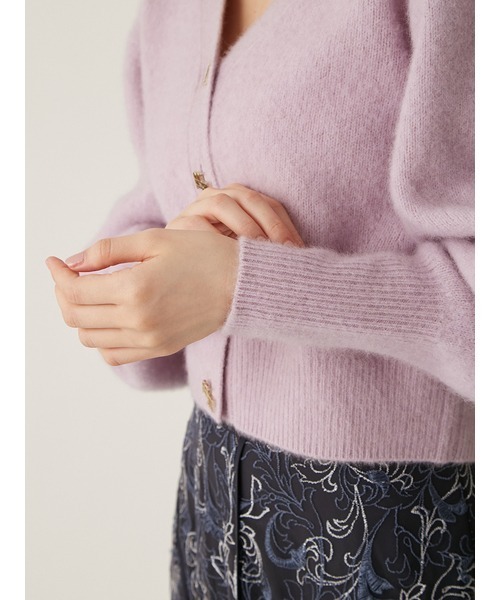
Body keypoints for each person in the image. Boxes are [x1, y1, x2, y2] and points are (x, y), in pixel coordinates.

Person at [46, 0, 475, 597]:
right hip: (209, 502)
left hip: (388, 524)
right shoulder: (167, 15)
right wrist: (133, 292)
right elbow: (161, 206)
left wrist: (243, 285)